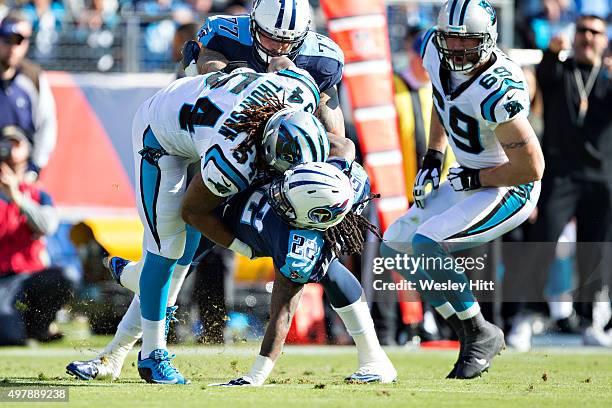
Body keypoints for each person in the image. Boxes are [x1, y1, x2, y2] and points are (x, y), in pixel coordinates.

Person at [67, 64, 349, 385]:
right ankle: (151, 354)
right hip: (160, 138)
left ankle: (125, 309)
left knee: (181, 257)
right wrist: (244, 248)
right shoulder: (233, 156)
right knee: (168, 248)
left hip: (200, 114)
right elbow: (193, 211)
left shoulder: (299, 93)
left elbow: (288, 69)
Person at [67, 160, 397, 384]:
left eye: (286, 202)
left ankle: (373, 356)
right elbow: (193, 211)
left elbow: (282, 312)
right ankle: (125, 310)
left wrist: (257, 374)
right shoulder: (294, 171)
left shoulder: (298, 241)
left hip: (221, 218)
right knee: (156, 276)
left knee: (332, 273)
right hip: (220, 208)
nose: (277, 197)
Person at [382, 0, 544, 379]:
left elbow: (532, 166)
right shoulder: (435, 55)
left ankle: (478, 333)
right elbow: (444, 100)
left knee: (426, 242)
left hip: (509, 185)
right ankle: (473, 332)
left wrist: (475, 179)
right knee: (396, 246)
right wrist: (433, 156)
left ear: (487, 41)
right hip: (468, 175)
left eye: (466, 42)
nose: (454, 50)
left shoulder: (497, 87)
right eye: (449, 40)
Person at [527, 14, 612, 347]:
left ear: (604, 41)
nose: (587, 37)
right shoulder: (560, 71)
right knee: (541, 241)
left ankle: (591, 320)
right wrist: (550, 52)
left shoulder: (607, 79)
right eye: (582, 31)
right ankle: (528, 314)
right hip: (561, 174)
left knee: (595, 250)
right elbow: (542, 78)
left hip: (601, 177)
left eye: (595, 33)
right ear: (573, 36)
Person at [185, 0, 346, 140]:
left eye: (287, 41)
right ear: (253, 24)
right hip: (230, 122)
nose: (279, 47)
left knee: (342, 148)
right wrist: (241, 78)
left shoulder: (322, 60)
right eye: (270, 37)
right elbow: (206, 64)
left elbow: (332, 130)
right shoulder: (225, 34)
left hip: (293, 128)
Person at [0, 125, 70, 345]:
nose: (10, 149)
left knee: (62, 278)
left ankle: (38, 327)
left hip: (30, 274)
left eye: (16, 143)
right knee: (8, 335)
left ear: (27, 151)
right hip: (3, 277)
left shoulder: (38, 195)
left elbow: (47, 225)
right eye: (5, 143)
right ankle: (17, 326)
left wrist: (17, 198)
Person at [0, 13, 57, 177]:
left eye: (18, 40)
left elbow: (47, 125)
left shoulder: (33, 78)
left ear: (26, 43)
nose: (12, 47)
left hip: (21, 173)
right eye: (6, 39)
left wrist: (34, 169)